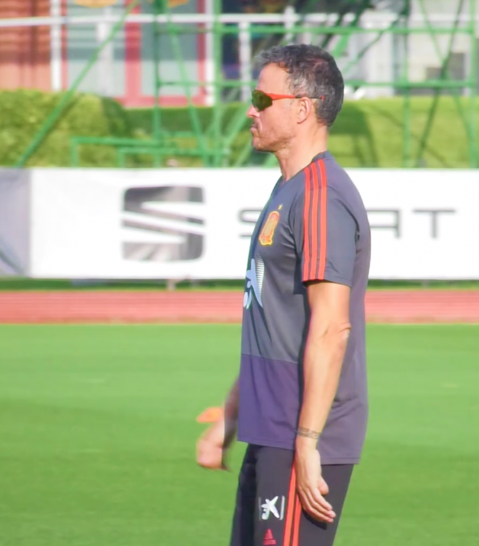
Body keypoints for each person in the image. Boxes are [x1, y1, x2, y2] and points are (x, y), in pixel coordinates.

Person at [196, 44, 371, 546]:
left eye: (261, 97)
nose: (251, 109)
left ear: (301, 108)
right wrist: (230, 417)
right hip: (271, 428)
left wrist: (309, 441)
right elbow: (275, 327)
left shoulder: (320, 197)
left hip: (301, 433)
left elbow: (332, 326)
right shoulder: (288, 190)